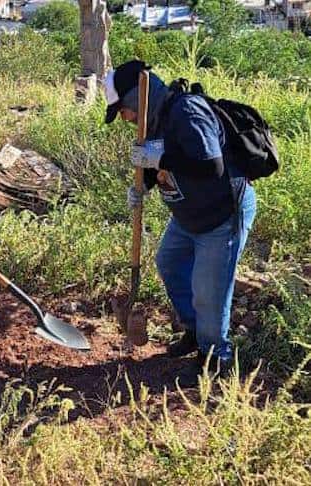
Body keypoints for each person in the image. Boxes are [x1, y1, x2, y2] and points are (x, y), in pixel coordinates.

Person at [105, 60, 257, 375]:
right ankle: (194, 332)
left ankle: (216, 359)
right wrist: (142, 186)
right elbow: (156, 170)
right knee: (170, 264)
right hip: (187, 218)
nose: (125, 118)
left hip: (221, 215)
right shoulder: (152, 123)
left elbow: (211, 167)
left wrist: (160, 158)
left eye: (123, 110)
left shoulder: (187, 113)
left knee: (208, 291)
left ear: (136, 98)